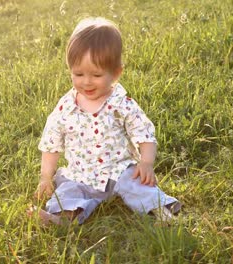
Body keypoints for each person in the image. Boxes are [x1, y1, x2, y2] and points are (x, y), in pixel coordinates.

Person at [30, 17, 181, 225]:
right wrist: (46, 177)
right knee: (67, 191)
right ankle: (62, 219)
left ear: (116, 73)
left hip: (118, 171)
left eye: (97, 75)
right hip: (80, 174)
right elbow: (51, 142)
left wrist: (146, 163)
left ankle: (163, 213)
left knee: (137, 183)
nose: (86, 82)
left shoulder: (121, 103)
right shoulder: (66, 107)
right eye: (78, 73)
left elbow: (144, 132)